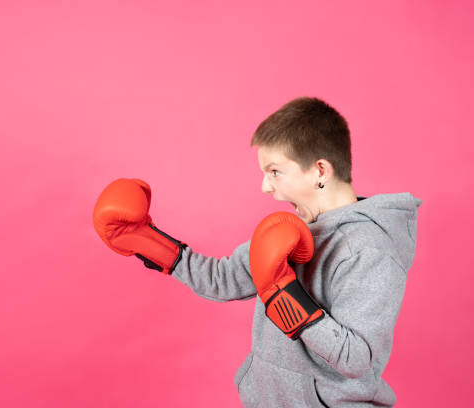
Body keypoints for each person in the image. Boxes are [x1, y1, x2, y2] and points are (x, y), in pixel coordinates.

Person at [92, 96, 423, 407]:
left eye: (275, 171)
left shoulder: (368, 250)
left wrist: (285, 298)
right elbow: (221, 280)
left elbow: (355, 357)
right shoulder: (289, 231)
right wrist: (145, 240)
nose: (266, 186)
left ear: (320, 171)